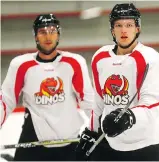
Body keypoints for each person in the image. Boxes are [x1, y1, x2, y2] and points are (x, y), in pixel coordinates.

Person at [75, 3, 159, 161]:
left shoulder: (150, 58)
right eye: (118, 25)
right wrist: (90, 132)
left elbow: (152, 105)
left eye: (129, 25)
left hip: (145, 145)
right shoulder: (100, 57)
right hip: (110, 144)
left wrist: (128, 117)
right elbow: (99, 103)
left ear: (137, 29)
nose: (124, 30)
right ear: (112, 30)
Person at [0, 13, 94, 161]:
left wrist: (101, 128)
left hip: (69, 141)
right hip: (33, 140)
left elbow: (88, 100)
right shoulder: (21, 65)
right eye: (43, 32)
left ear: (58, 35)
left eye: (52, 31)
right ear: (35, 36)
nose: (48, 36)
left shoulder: (74, 62)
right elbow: (6, 100)